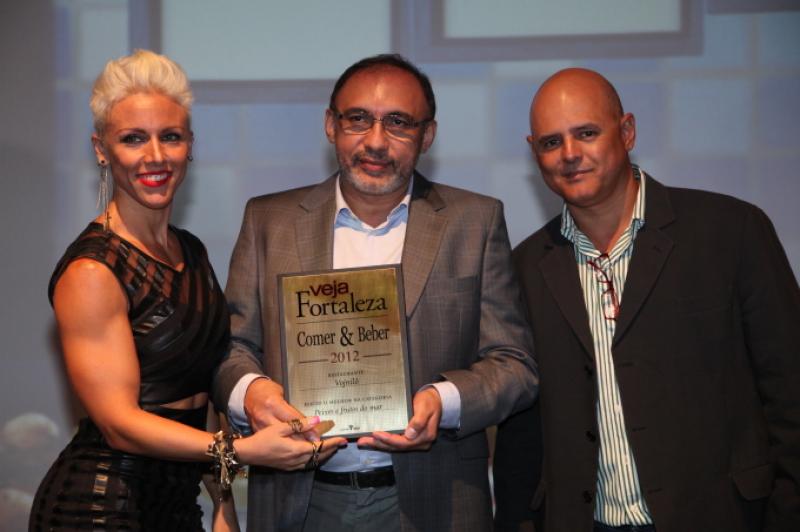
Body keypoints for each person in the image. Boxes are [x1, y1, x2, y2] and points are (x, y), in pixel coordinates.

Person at [212, 53, 538, 532]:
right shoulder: (269, 220)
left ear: (427, 135)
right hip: (299, 500)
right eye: (358, 119)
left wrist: (443, 401)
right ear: (331, 125)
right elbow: (233, 347)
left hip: (436, 500)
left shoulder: (475, 221)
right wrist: (253, 394)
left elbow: (515, 364)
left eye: (399, 123)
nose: (376, 141)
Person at [29, 50, 345, 531]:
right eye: (133, 138)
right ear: (101, 149)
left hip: (178, 505)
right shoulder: (92, 270)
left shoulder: (189, 250)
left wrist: (223, 504)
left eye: (170, 137)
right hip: (98, 509)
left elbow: (203, 389)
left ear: (190, 145)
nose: (155, 156)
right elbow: (118, 424)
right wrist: (240, 451)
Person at [493, 67, 800, 532]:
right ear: (534, 151)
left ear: (627, 131)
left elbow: (790, 393)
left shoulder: (731, 231)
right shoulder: (525, 266)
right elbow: (522, 435)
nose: (570, 154)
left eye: (587, 133)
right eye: (551, 142)